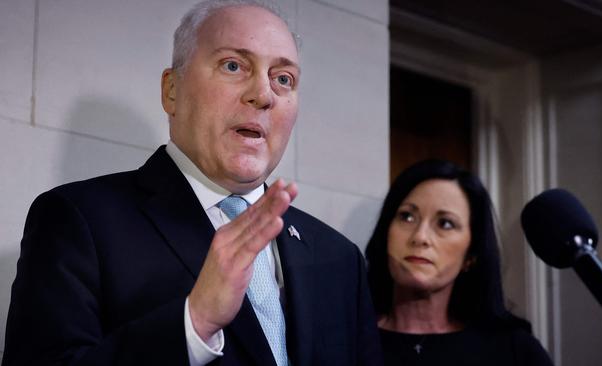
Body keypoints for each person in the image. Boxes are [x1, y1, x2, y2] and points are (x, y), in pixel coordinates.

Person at [2, 1, 381, 365]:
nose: (263, 94)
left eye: (283, 79)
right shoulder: (80, 221)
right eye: (234, 65)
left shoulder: (340, 259)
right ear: (171, 90)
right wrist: (193, 323)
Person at [365, 160, 553, 366]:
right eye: (407, 216)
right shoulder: (348, 337)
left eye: (445, 223)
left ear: (471, 255)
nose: (420, 237)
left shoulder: (514, 349)